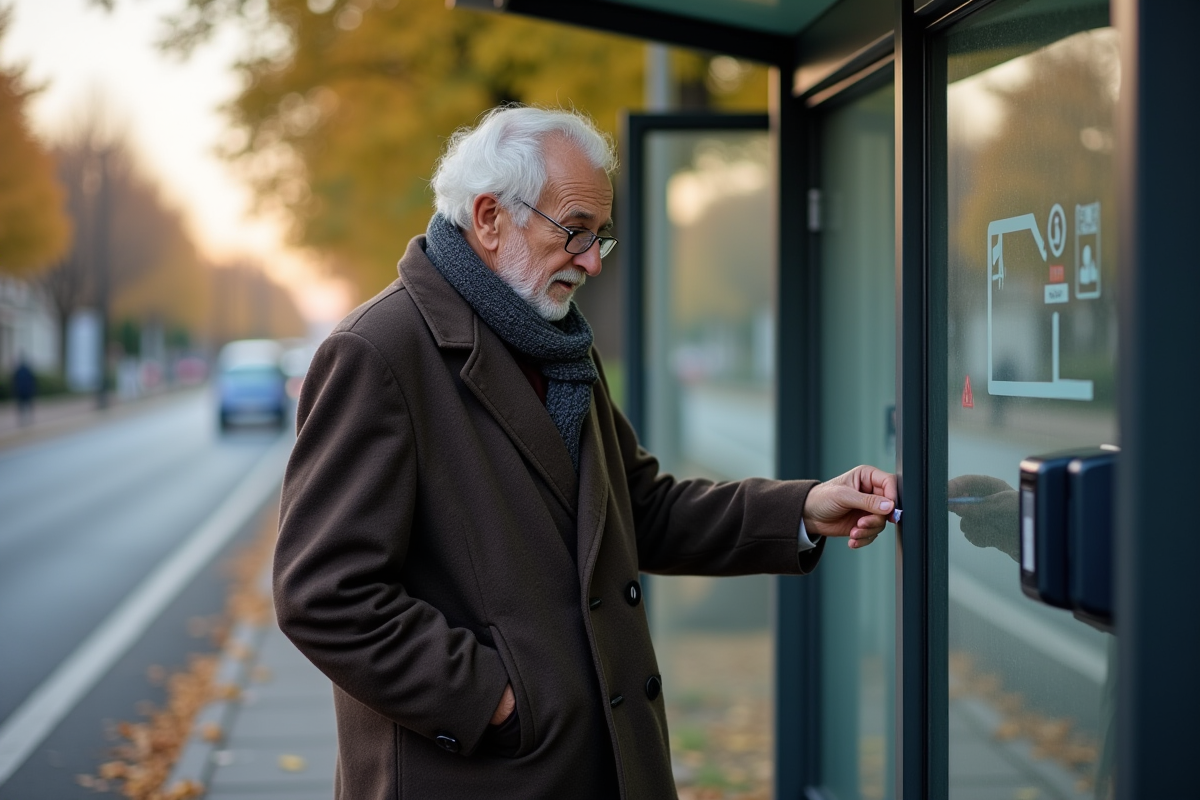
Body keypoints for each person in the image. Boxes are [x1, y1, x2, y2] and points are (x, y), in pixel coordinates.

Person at [274, 105, 898, 800]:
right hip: (476, 776)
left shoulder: (557, 343)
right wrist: (495, 701)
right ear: (489, 219)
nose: (593, 262)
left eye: (602, 237)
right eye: (574, 232)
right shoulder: (378, 352)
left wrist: (806, 509)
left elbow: (639, 510)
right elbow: (324, 595)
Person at [12, 356, 36, 426]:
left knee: (21, 407)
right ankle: (28, 420)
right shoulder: (28, 370)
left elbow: (14, 382)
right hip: (27, 391)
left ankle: (22, 421)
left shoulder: (18, 371)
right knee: (28, 406)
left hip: (20, 391)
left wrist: (14, 391)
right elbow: (32, 381)